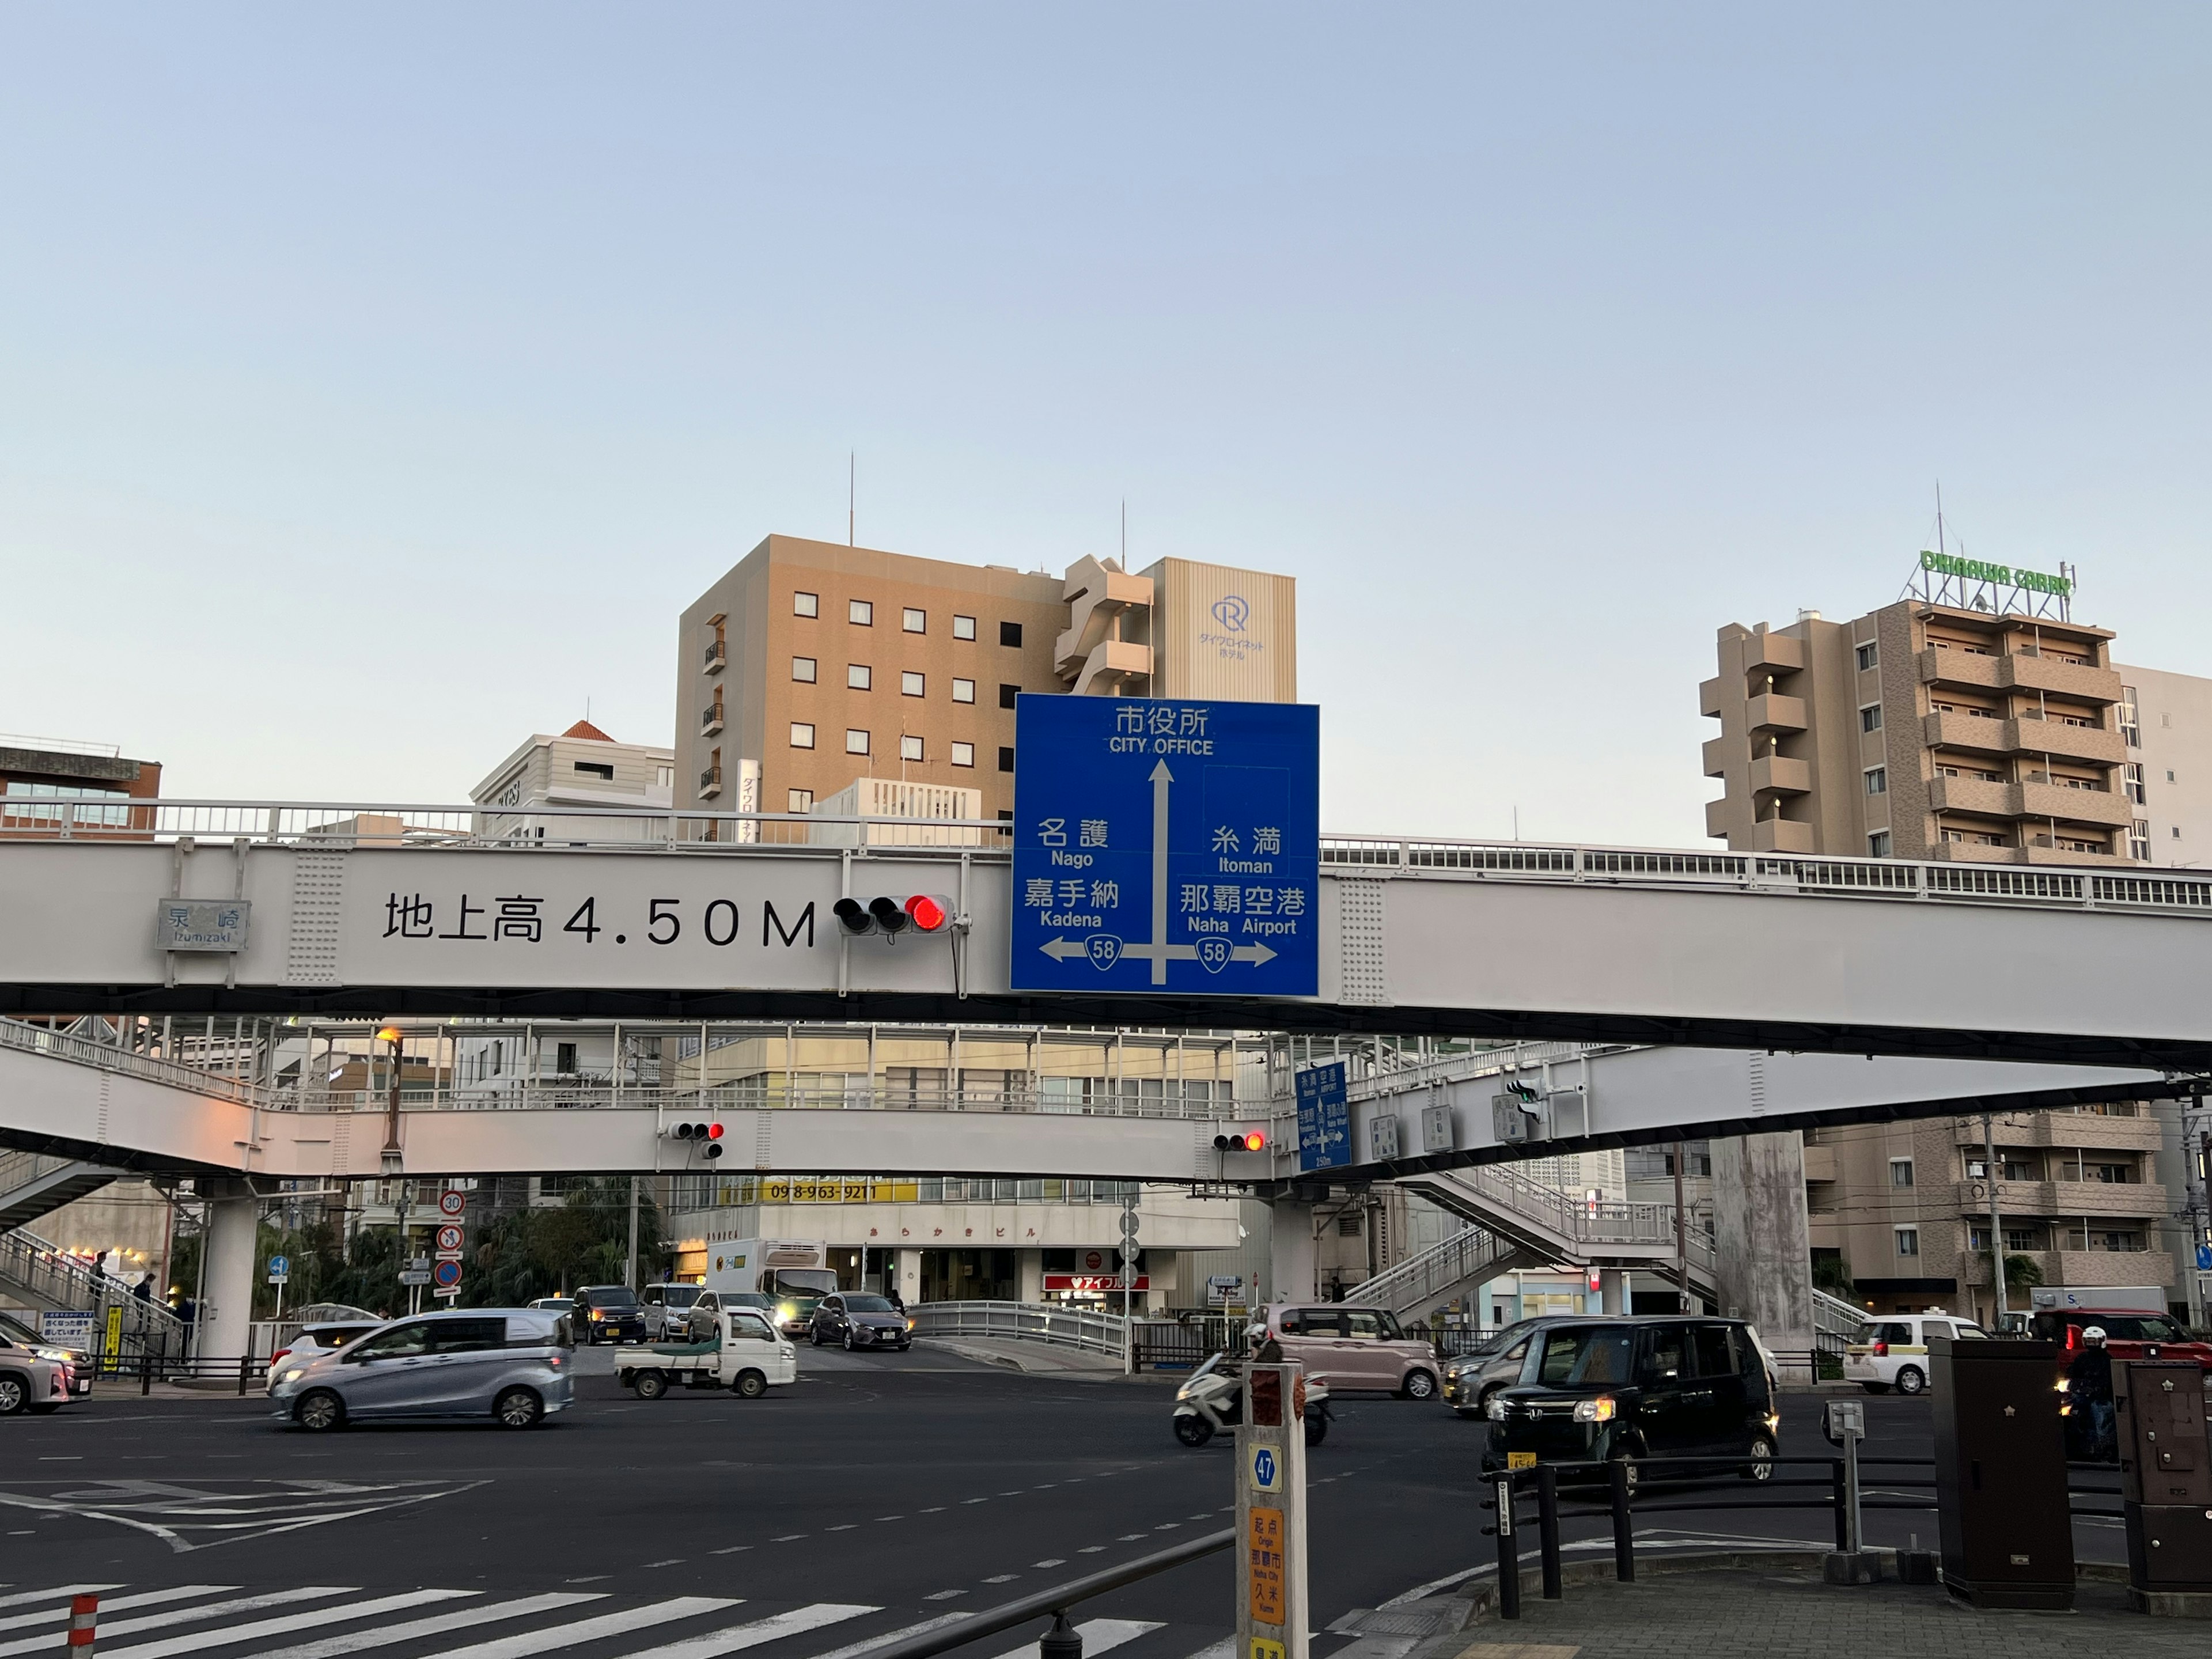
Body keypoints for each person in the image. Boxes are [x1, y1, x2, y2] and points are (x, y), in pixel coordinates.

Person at [2064, 1324, 2116, 1462]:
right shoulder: (2082, 1358)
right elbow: (2072, 1374)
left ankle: (2103, 1449)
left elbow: (2109, 1381)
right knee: (2067, 1411)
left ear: (2102, 1341)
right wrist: (2074, 1385)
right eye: (2089, 1341)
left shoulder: (2108, 1360)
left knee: (2100, 1412)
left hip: (2101, 1398)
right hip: (2081, 1396)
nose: (2092, 1345)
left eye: (2094, 1341)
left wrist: (2098, 1389)